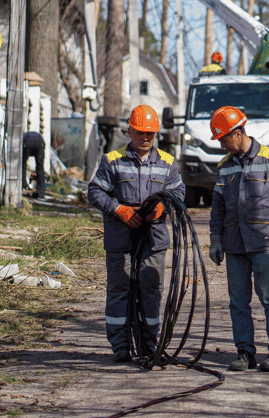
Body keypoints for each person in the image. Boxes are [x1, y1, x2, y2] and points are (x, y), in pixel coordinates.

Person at [87, 105, 186, 362]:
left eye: (150, 134)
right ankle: (120, 345)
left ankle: (149, 344)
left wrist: (163, 207)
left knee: (151, 288)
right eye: (141, 132)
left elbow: (179, 193)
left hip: (153, 239)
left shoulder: (167, 162)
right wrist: (119, 210)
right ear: (129, 130)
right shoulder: (112, 160)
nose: (145, 138)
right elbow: (95, 192)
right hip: (121, 238)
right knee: (120, 289)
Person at [207, 105, 269, 372]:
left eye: (224, 138)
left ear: (237, 133)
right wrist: (216, 240)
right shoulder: (224, 167)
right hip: (235, 245)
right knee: (238, 301)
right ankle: (244, 352)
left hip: (263, 242)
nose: (222, 145)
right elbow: (218, 207)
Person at [21, 130, 46, 198]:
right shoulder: (38, 136)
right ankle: (41, 193)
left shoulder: (24, 137)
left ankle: (22, 188)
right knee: (40, 167)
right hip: (40, 143)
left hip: (27, 142)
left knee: (22, 165)